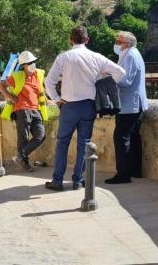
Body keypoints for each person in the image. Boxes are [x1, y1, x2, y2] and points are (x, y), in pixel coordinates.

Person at [44, 26, 126, 191]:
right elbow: (120, 73)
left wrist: (57, 99)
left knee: (62, 143)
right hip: (89, 106)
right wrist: (103, 80)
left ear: (70, 40)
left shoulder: (64, 57)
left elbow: (49, 82)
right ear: (87, 40)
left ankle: (58, 181)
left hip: (68, 106)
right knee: (84, 143)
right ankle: (78, 180)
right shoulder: (96, 57)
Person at [106, 31, 148, 184]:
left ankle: (123, 174)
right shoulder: (131, 54)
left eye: (119, 41)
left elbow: (126, 80)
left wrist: (109, 77)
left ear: (127, 43)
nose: (116, 43)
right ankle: (135, 170)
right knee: (134, 136)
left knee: (121, 137)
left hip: (129, 104)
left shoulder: (130, 55)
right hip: (134, 103)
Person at [0, 51, 48, 172]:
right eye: (30, 62)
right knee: (23, 138)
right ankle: (24, 163)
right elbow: (1, 85)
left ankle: (20, 156)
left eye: (33, 62)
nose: (33, 64)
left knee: (40, 136)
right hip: (22, 110)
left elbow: (41, 92)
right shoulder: (17, 76)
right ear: (23, 65)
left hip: (36, 110)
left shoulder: (39, 74)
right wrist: (12, 98)